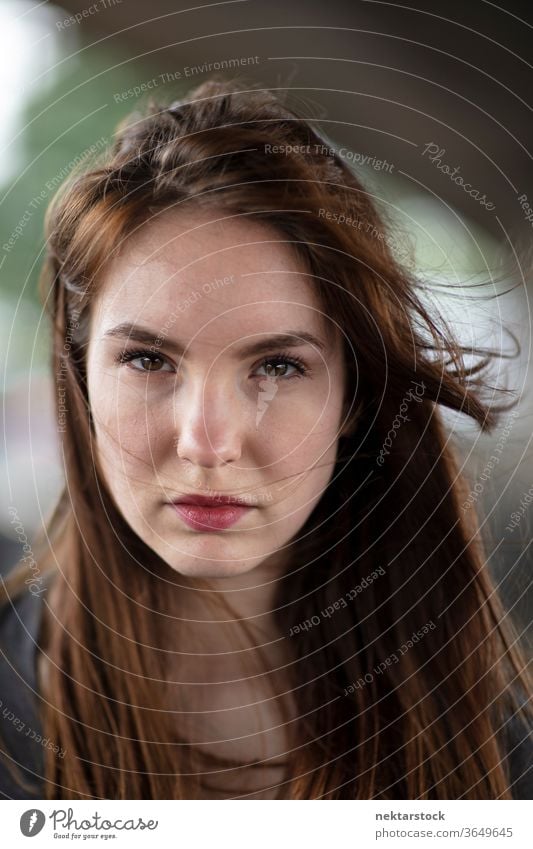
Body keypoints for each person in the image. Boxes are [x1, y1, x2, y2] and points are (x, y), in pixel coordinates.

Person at [1, 78, 531, 800]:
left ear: (352, 393)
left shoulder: (494, 751)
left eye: (276, 365)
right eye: (148, 360)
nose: (206, 442)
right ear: (79, 376)